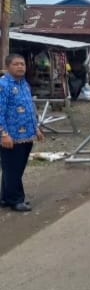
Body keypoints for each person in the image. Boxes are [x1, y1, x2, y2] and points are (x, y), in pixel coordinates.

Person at [0, 53, 44, 213]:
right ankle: (16, 200)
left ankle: (5, 197)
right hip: (11, 137)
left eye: (22, 64)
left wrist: (36, 128)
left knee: (13, 169)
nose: (20, 67)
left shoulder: (24, 84)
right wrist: (3, 134)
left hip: (26, 135)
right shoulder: (3, 85)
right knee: (14, 169)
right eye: (16, 64)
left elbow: (30, 109)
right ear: (7, 66)